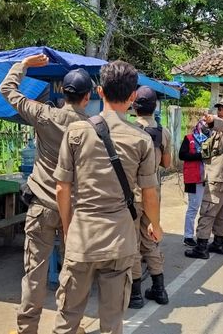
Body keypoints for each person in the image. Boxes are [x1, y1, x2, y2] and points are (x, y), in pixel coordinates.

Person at [52, 60, 163, 334]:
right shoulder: (141, 139)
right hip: (120, 241)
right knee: (112, 324)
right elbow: (150, 193)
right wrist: (155, 225)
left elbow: (61, 188)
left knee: (67, 321)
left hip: (82, 237)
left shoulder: (76, 132)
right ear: (133, 96)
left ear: (100, 92)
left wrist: (68, 229)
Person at [0, 54, 93, 334]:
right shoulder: (92, 129)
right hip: (74, 212)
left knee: (34, 274)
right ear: (87, 97)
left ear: (64, 93)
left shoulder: (43, 114)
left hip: (41, 206)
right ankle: (69, 328)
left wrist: (24, 65)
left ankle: (27, 329)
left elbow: (7, 90)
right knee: (72, 273)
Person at [129, 86, 171, 309]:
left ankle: (135, 295)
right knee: (151, 239)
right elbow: (167, 163)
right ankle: (159, 289)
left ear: (134, 106)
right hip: (153, 194)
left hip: (133, 195)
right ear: (154, 107)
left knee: (134, 244)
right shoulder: (163, 132)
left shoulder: (129, 129)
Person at [185, 99, 223, 259]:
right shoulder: (219, 131)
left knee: (207, 210)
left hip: (219, 176)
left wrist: (213, 120)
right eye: (219, 109)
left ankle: (201, 247)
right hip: (220, 176)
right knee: (220, 210)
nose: (220, 111)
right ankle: (218, 242)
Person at [178, 121, 209, 247]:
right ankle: (188, 236)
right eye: (204, 127)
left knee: (205, 209)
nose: (206, 130)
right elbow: (182, 155)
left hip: (206, 178)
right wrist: (199, 155)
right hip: (192, 178)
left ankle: (201, 235)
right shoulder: (189, 138)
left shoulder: (209, 140)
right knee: (193, 208)